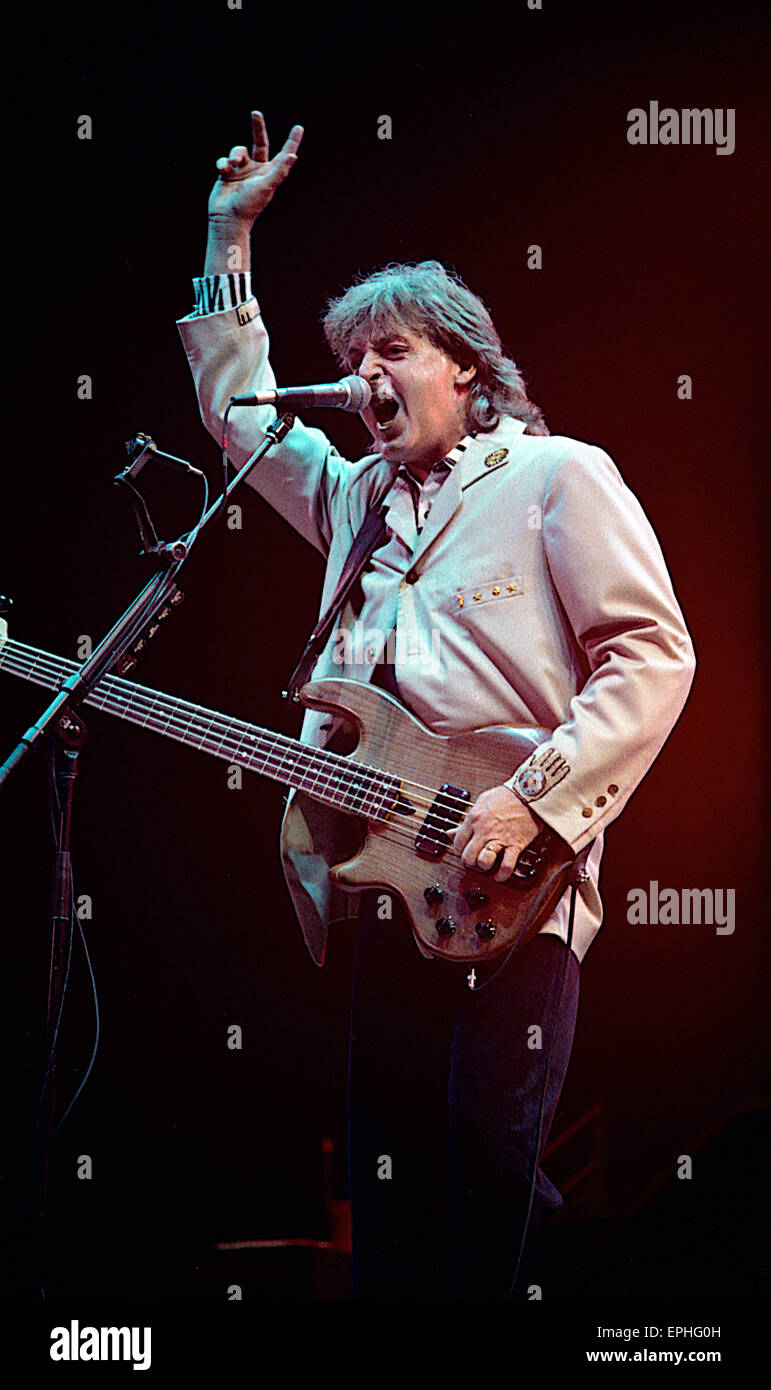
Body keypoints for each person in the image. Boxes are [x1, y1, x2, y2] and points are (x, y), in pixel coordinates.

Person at [176, 111, 696, 1299]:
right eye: (353, 360)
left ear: (465, 363)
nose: (367, 378)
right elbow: (239, 420)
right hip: (378, 883)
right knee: (390, 1196)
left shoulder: (559, 477)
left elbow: (653, 653)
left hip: (517, 885)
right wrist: (226, 235)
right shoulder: (353, 496)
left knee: (484, 1173)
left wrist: (536, 803)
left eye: (392, 352)